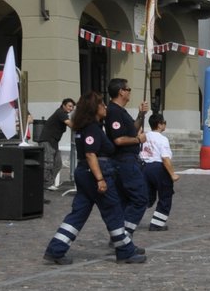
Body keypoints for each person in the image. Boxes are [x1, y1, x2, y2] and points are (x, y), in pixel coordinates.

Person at [42, 91, 144, 266]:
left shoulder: (86, 127)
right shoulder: (92, 128)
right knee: (113, 211)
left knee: (78, 214)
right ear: (94, 108)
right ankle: (125, 251)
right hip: (96, 172)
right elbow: (90, 154)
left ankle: (56, 249)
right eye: (102, 104)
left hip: (84, 173)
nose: (105, 107)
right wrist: (100, 179)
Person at [104, 79, 150, 239]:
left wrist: (140, 115)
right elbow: (119, 139)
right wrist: (139, 140)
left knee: (124, 201)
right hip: (124, 161)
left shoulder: (121, 111)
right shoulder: (114, 111)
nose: (130, 92)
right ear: (121, 92)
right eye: (128, 89)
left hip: (127, 160)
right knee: (140, 199)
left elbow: (131, 130)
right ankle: (123, 237)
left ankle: (120, 237)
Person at [139, 112, 177, 231]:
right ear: (159, 125)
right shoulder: (162, 139)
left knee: (146, 197)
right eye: (164, 122)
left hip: (144, 168)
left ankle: (129, 217)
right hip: (158, 168)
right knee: (165, 195)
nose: (165, 124)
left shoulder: (144, 136)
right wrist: (172, 174)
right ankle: (157, 223)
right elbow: (165, 158)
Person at [41, 97, 75, 189]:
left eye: (72, 107)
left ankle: (49, 182)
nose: (71, 108)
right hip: (47, 140)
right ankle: (46, 184)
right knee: (48, 163)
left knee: (58, 164)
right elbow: (71, 124)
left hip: (54, 141)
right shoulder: (60, 112)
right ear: (63, 105)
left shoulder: (63, 114)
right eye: (69, 106)